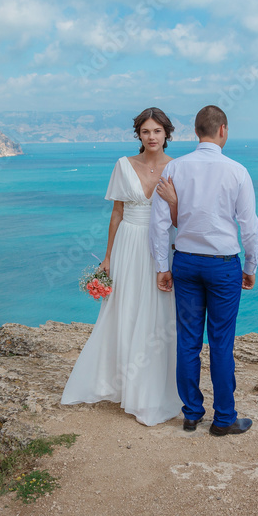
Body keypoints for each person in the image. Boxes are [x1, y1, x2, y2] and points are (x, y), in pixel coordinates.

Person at [60, 108, 183, 426]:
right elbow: (116, 213)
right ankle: (118, 384)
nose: (152, 137)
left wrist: (172, 201)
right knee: (123, 311)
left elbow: (182, 219)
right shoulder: (123, 165)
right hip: (128, 243)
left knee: (157, 315)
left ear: (166, 134)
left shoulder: (179, 168)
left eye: (157, 131)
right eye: (146, 131)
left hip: (159, 247)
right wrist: (108, 256)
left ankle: (149, 391)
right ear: (138, 135)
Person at [149, 105, 258, 436]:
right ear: (223, 130)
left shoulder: (175, 169)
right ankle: (224, 418)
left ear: (196, 132)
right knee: (222, 342)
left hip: (185, 262)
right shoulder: (238, 171)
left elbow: (159, 225)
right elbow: (249, 227)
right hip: (224, 266)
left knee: (188, 341)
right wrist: (251, 265)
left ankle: (192, 413)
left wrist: (161, 267)